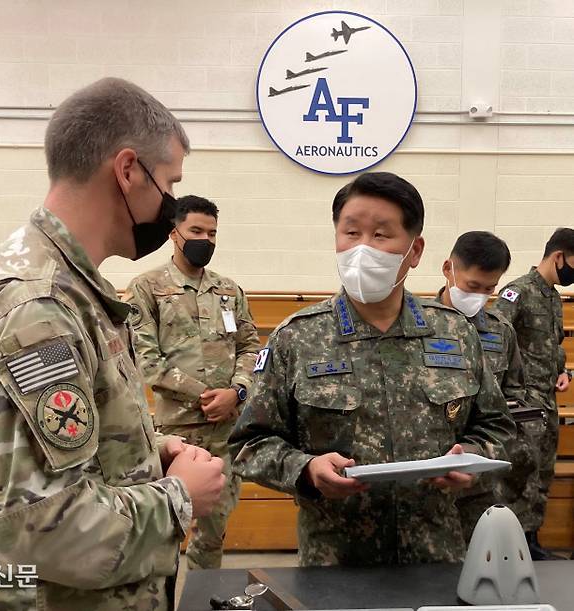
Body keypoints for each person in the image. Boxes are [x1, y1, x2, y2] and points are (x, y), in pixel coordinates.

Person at [0, 78, 226, 611]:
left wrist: (146, 452)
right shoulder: (38, 310)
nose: (172, 203)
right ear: (128, 170)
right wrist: (178, 496)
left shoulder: (60, 286)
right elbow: (40, 528)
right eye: (169, 182)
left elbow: (44, 454)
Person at [229, 172, 516, 567]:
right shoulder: (297, 338)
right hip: (336, 563)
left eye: (381, 235)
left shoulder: (455, 332)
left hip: (436, 556)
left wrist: (471, 456)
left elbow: (496, 427)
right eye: (350, 233)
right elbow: (249, 444)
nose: (362, 248)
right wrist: (306, 469)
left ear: (414, 252)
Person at [123, 194, 259, 569]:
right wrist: (206, 395)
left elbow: (251, 347)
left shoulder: (229, 290)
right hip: (175, 437)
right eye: (196, 230)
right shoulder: (146, 288)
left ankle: (204, 597)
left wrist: (237, 391)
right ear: (175, 233)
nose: (206, 240)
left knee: (213, 534)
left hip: (224, 432)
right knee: (163, 530)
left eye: (213, 233)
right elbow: (146, 361)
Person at [436, 231, 539, 542]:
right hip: (428, 474)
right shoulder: (416, 326)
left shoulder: (500, 331)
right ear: (448, 269)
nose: (479, 295)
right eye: (472, 286)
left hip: (478, 481)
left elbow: (514, 396)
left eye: (489, 289)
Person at [492, 227, 574, 559]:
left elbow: (552, 345)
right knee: (521, 475)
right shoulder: (518, 292)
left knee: (543, 472)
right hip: (523, 403)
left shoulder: (553, 296)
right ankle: (514, 545)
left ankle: (533, 540)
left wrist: (562, 370)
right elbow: (496, 340)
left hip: (546, 399)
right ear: (559, 256)